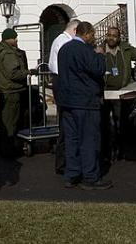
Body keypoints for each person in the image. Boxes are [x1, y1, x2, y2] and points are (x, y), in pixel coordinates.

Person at [56, 21, 111, 190]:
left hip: (67, 101)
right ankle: (90, 177)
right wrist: (100, 54)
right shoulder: (85, 50)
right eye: (93, 35)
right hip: (84, 102)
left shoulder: (64, 49)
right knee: (89, 140)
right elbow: (98, 68)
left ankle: (72, 174)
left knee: (71, 140)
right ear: (86, 34)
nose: (93, 38)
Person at [102, 26, 136, 160]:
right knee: (104, 123)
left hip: (120, 92)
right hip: (105, 92)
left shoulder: (125, 49)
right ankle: (106, 151)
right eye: (109, 35)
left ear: (119, 38)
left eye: (114, 36)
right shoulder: (99, 50)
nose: (111, 38)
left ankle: (120, 150)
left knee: (121, 123)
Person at [47, 18, 79, 175]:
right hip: (63, 83)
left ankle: (65, 161)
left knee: (66, 124)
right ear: (74, 30)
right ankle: (62, 163)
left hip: (60, 81)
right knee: (66, 125)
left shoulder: (60, 40)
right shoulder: (64, 42)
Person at [0, 27, 30, 158]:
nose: (16, 40)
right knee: (11, 122)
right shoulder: (8, 53)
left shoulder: (0, 50)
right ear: (9, 39)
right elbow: (13, 73)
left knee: (4, 122)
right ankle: (9, 151)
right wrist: (28, 72)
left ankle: (3, 149)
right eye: (14, 38)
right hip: (11, 90)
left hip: (5, 89)